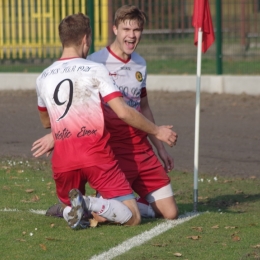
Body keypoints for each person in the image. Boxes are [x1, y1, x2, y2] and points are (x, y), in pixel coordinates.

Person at [32, 12, 178, 229]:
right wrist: (157, 131)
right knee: (126, 216)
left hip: (113, 149)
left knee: (170, 212)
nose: (132, 35)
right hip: (104, 150)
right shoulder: (94, 64)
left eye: (136, 30)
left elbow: (49, 119)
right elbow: (122, 111)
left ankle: (70, 208)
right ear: (87, 39)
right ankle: (83, 205)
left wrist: (58, 133)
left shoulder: (42, 77)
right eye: (127, 29)